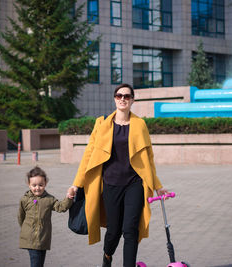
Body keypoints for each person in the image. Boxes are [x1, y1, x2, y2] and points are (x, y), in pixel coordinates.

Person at [67, 83, 169, 267]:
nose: (123, 99)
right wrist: (76, 184)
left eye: (127, 96)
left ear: (132, 100)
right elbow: (88, 156)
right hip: (110, 184)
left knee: (130, 230)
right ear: (115, 98)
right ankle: (107, 256)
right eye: (119, 95)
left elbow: (149, 158)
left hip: (134, 184)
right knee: (113, 231)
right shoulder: (102, 123)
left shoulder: (140, 125)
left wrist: (157, 186)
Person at [18, 166, 72, 267]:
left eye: (40, 185)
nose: (37, 188)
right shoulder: (25, 200)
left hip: (43, 239)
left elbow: (61, 207)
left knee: (39, 263)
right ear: (29, 185)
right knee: (36, 263)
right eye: (34, 185)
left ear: (45, 183)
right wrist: (26, 230)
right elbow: (21, 216)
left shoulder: (49, 199)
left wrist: (69, 198)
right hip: (31, 239)